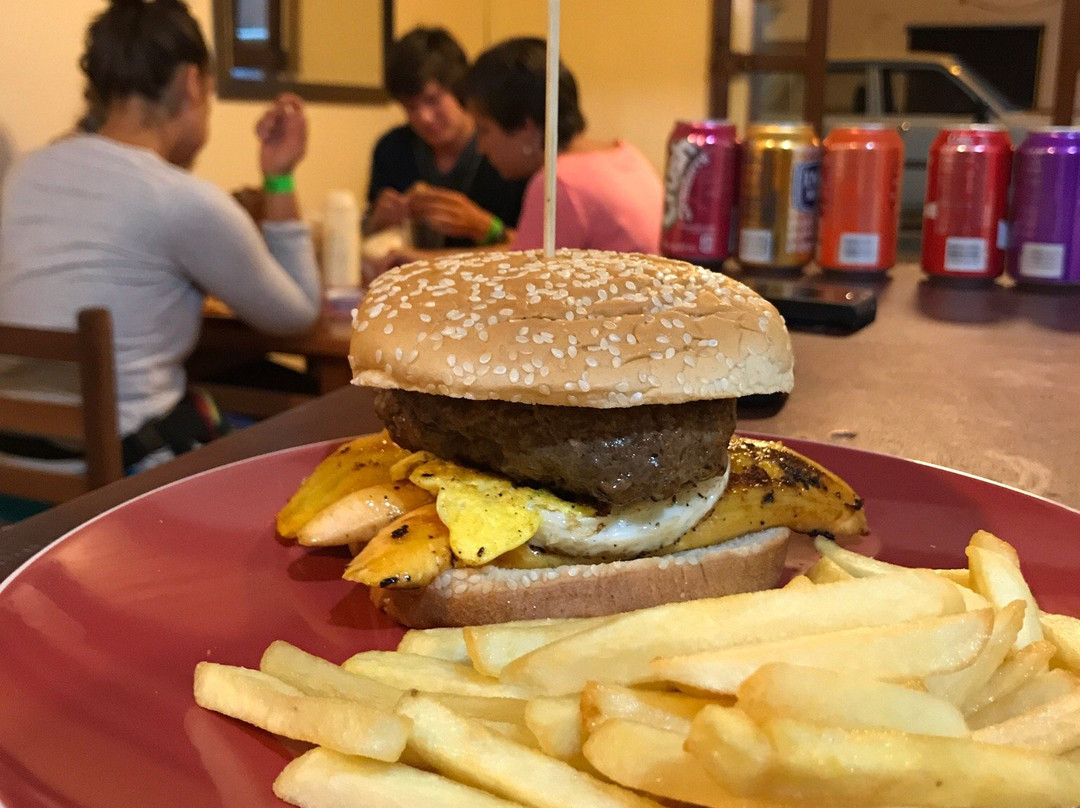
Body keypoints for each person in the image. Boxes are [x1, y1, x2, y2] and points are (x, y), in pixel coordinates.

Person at [0, 0, 321, 473]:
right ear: (191, 83)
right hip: (116, 474)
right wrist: (279, 175)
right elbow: (297, 314)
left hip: (13, 467)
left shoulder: (23, 173)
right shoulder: (180, 198)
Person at [461, 37, 663, 254]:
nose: (481, 148)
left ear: (526, 128)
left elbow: (524, 272)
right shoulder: (625, 153)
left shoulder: (559, 183)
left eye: (484, 130)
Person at [364, 27, 527, 251]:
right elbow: (368, 237)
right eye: (410, 107)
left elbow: (540, 249)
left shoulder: (506, 149)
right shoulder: (392, 149)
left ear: (461, 89)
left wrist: (486, 228)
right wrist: (378, 221)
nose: (424, 118)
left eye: (433, 100)